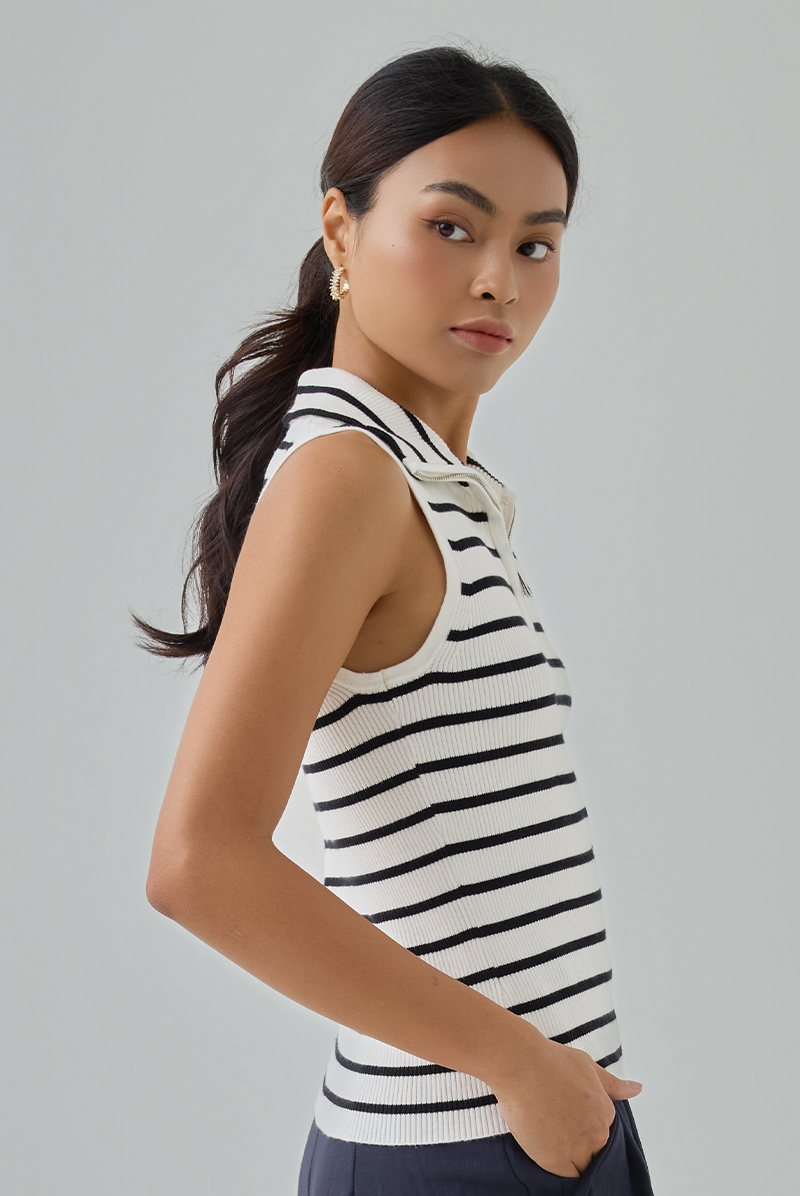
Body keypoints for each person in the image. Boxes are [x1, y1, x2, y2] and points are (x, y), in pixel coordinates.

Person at [137, 45, 655, 1195]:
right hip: (457, 1148)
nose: (498, 281)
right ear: (340, 230)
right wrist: (516, 1063)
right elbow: (197, 860)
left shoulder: (433, 484)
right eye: (451, 227)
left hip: (541, 1127)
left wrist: (553, 1087)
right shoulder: (348, 478)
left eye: (535, 244)